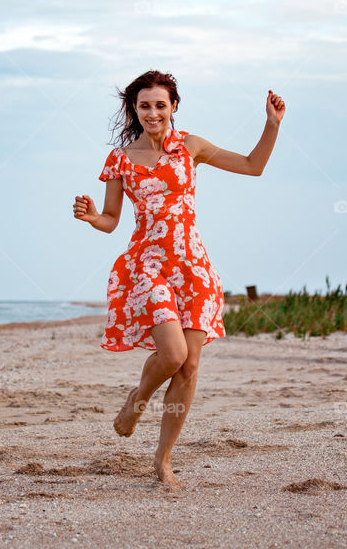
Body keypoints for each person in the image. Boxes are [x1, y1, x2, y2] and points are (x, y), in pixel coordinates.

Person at [72, 69, 285, 487]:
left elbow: (252, 166)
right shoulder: (120, 159)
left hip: (193, 266)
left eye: (160, 105)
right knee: (171, 356)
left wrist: (271, 125)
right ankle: (137, 399)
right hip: (148, 264)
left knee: (189, 368)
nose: (153, 113)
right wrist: (93, 216)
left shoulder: (191, 146)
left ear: (173, 107)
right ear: (134, 109)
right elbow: (112, 220)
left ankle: (163, 460)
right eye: (145, 105)